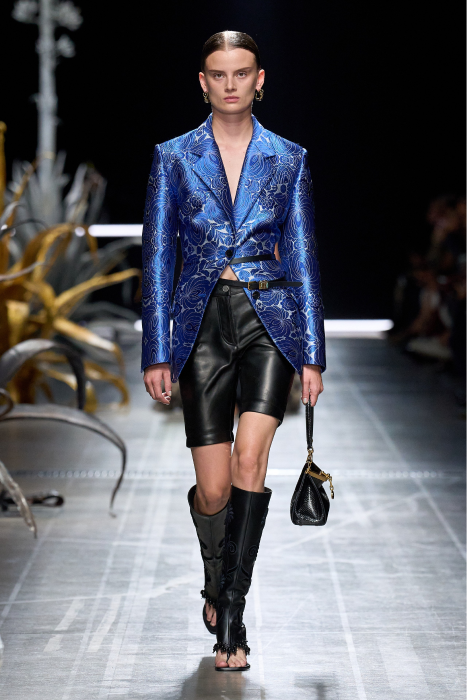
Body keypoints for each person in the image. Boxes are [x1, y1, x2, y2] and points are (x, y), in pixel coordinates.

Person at [142, 30, 325, 671]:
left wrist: (313, 353)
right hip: (200, 324)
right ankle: (215, 577)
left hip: (269, 320)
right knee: (214, 488)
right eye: (218, 74)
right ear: (203, 82)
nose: (230, 84)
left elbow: (302, 256)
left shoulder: (288, 158)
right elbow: (158, 256)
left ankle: (234, 618)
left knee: (252, 460)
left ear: (259, 79)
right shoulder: (173, 157)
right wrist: (156, 351)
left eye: (241, 73)